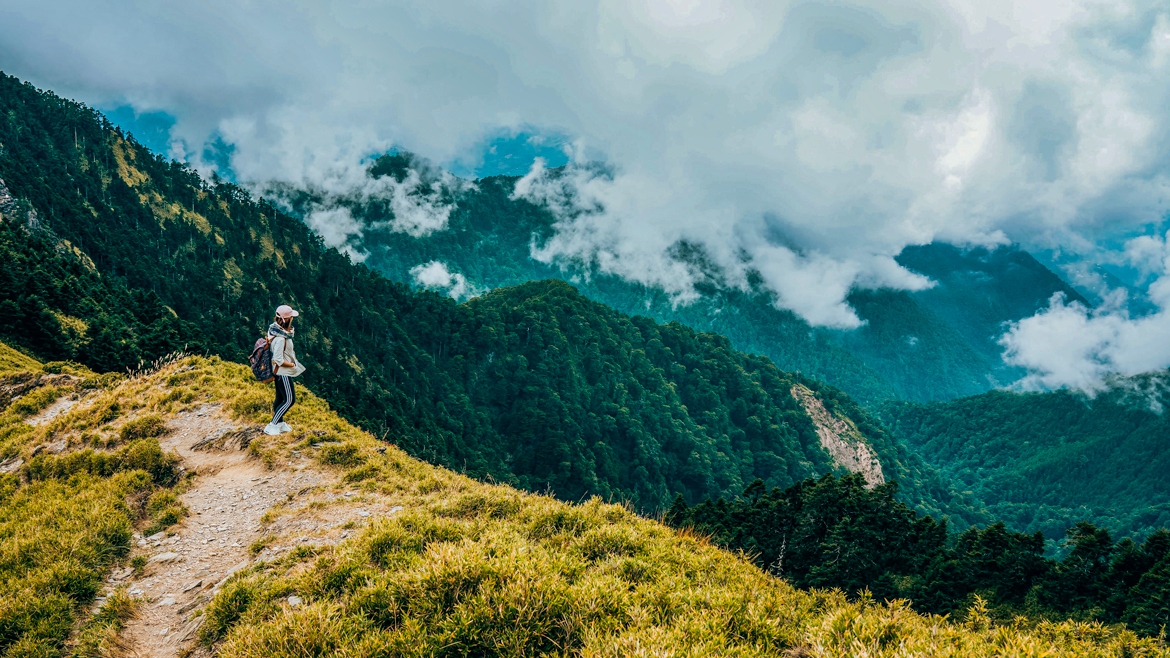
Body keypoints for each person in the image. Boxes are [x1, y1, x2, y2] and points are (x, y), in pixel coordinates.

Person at [264, 305, 305, 435]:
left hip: (279, 372)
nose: (292, 318)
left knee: (280, 399)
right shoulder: (281, 338)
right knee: (289, 400)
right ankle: (272, 425)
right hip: (283, 373)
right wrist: (292, 365)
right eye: (291, 317)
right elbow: (279, 360)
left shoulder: (275, 332)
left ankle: (280, 424)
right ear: (286, 319)